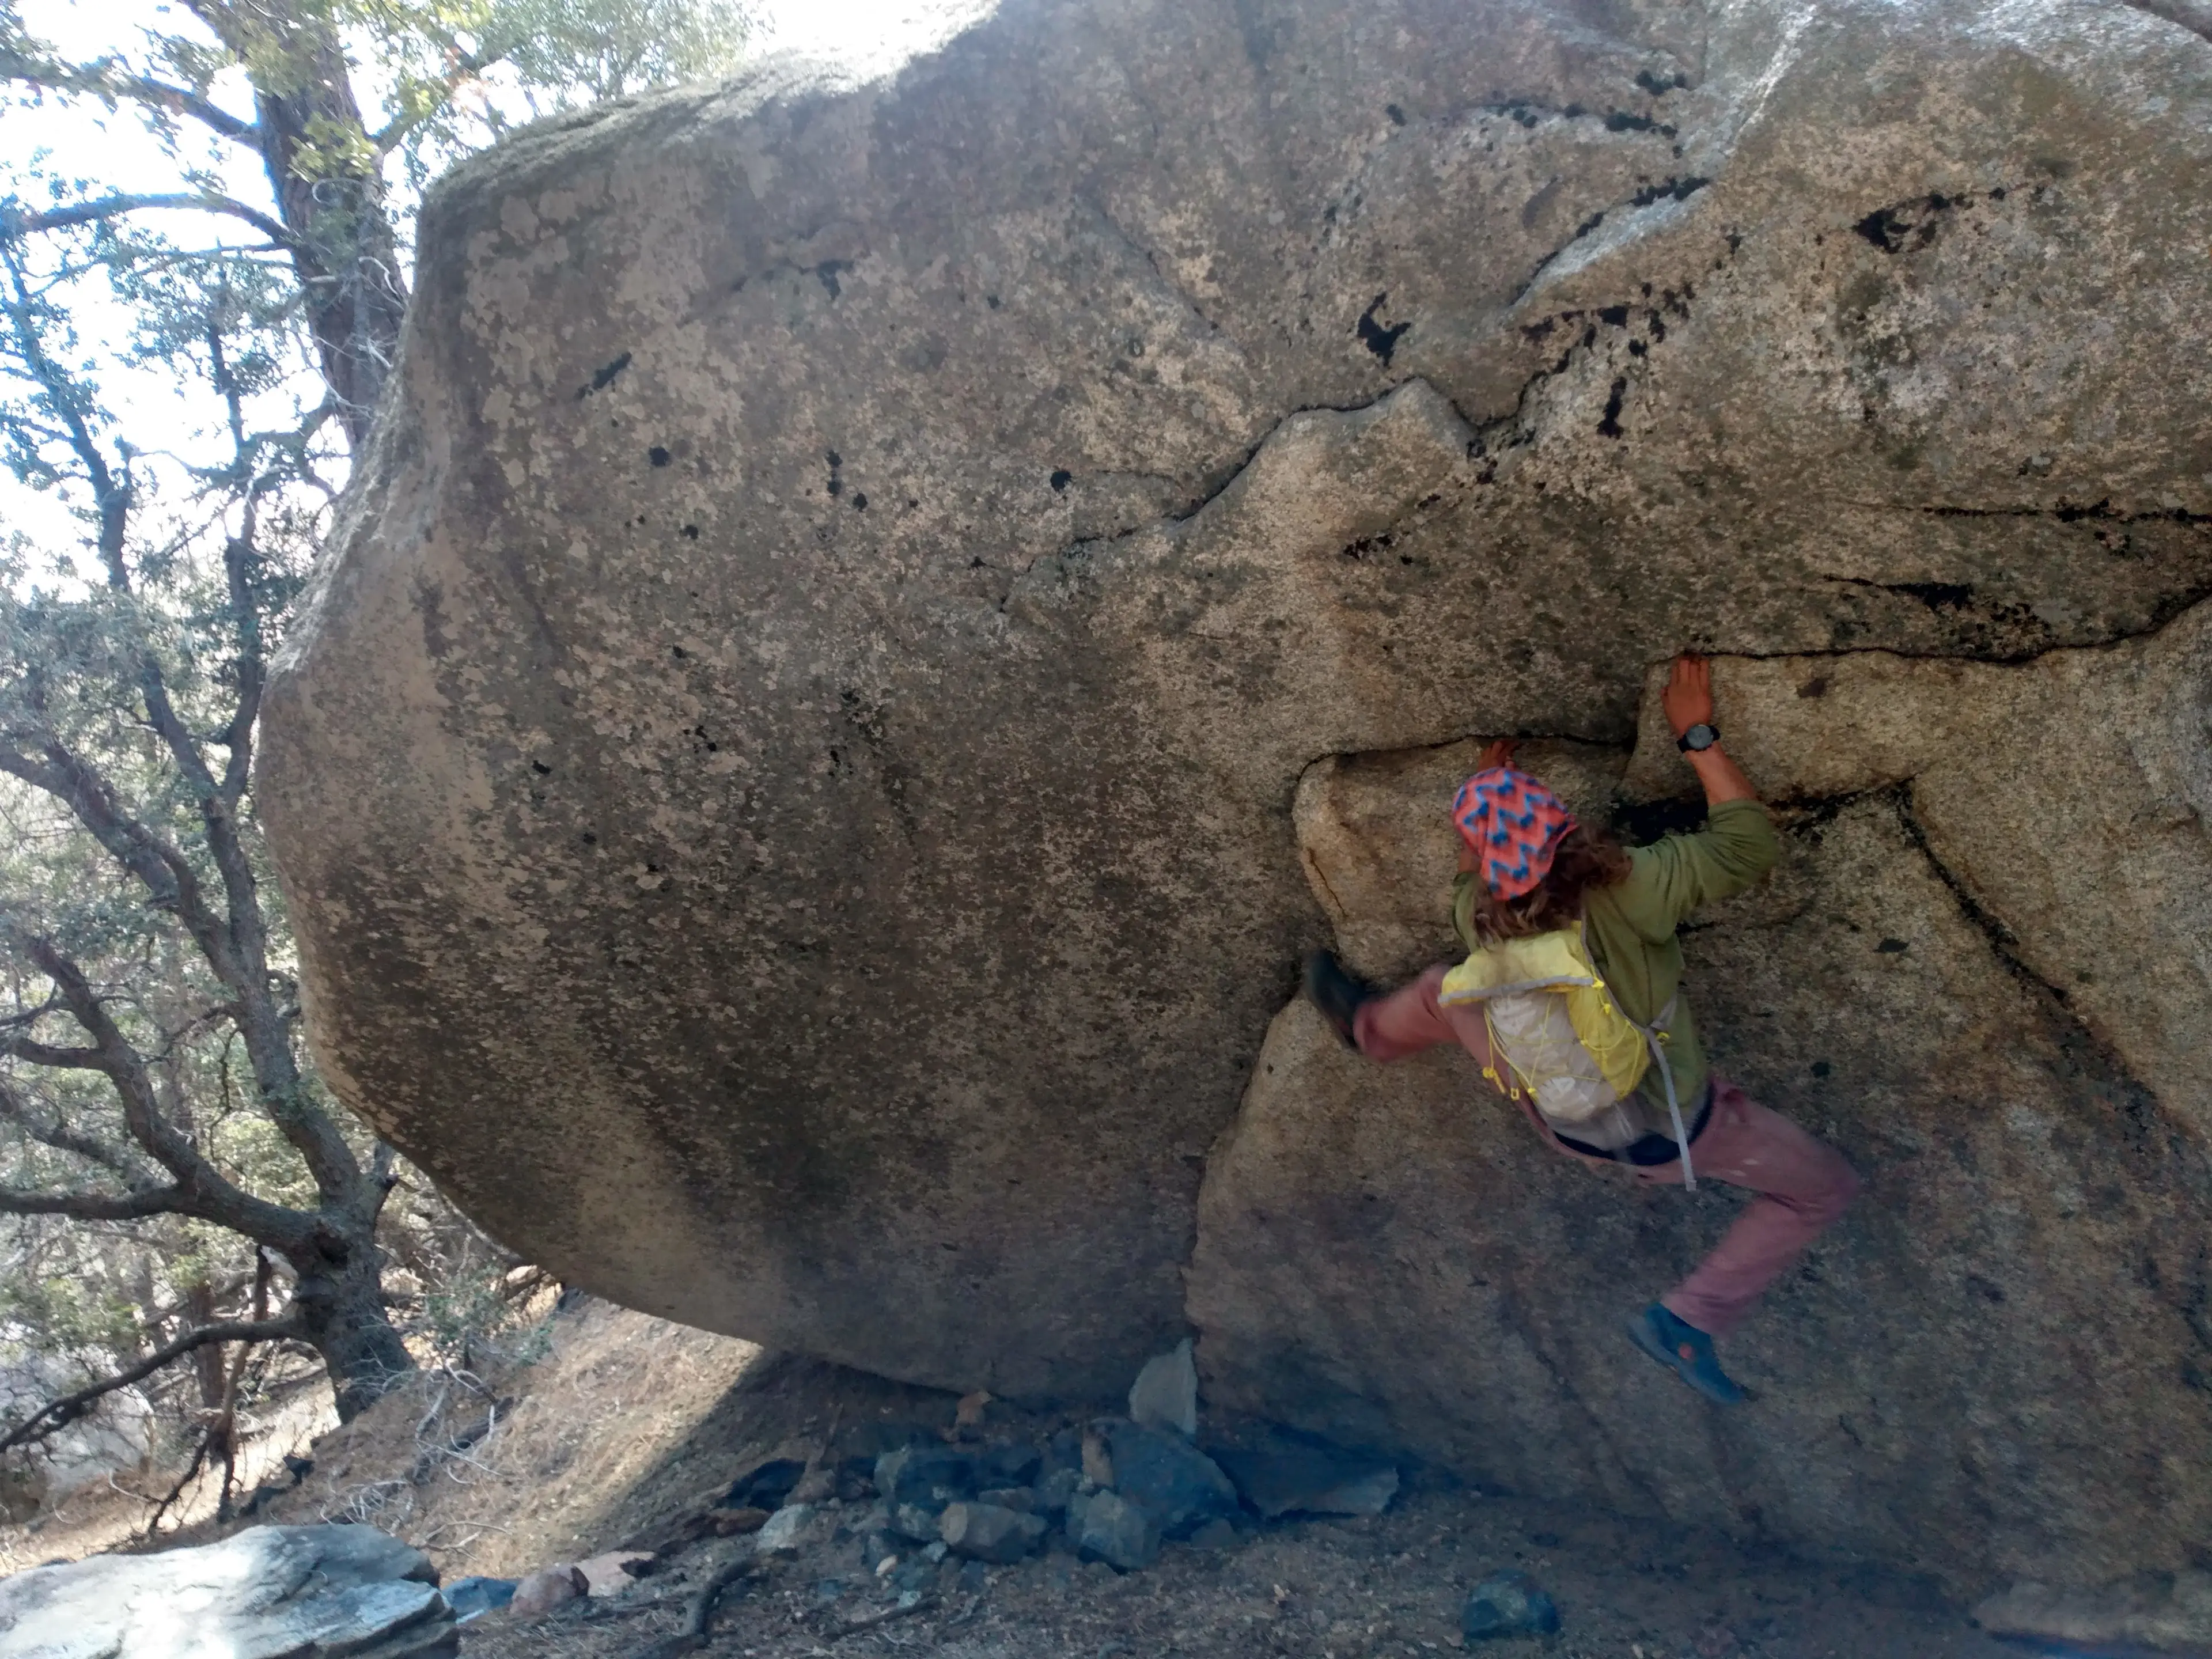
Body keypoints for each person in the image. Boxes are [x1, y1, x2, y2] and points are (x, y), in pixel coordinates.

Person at [1302, 655, 1859, 1404]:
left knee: (1445, 990)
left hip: (1560, 1121)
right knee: (1822, 1192)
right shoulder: (1633, 884)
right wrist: (1695, 733)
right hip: (1675, 1133)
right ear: (1560, 823)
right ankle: (1688, 1321)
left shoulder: (1475, 913)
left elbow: (1474, 869)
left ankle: (1370, 1031)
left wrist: (1481, 790)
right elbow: (1746, 847)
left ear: (1488, 863)